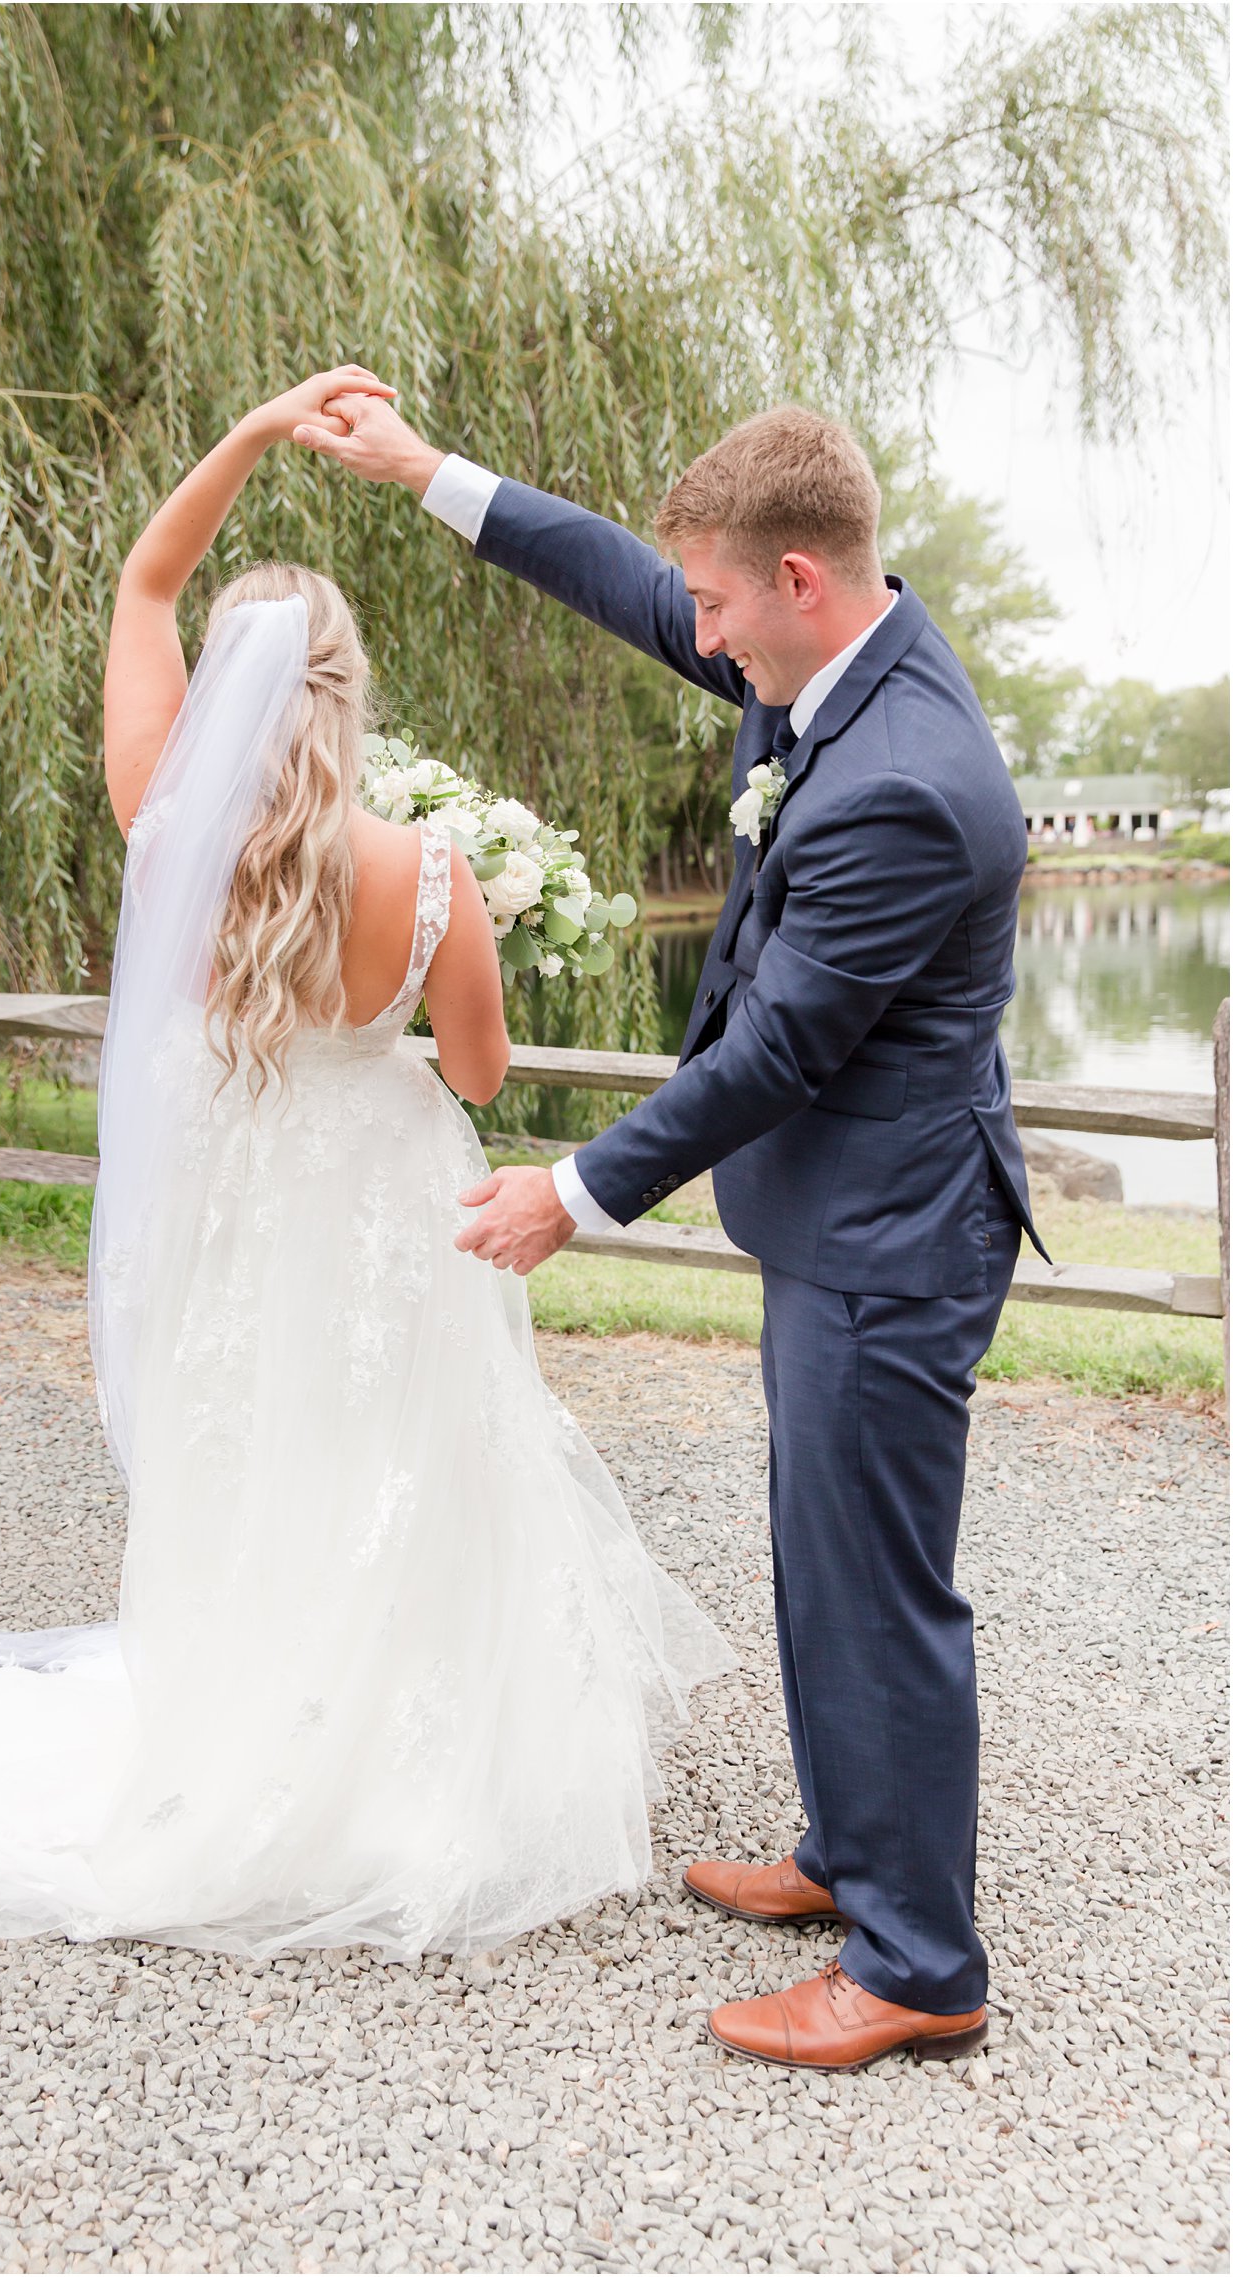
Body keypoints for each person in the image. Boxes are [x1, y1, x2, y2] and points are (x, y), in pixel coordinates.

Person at [0, 369, 732, 1960]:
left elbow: (144, 578)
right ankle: (401, 1763)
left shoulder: (160, 820)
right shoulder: (431, 872)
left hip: (247, 1194)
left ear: (238, 693)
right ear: (346, 689)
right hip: (389, 1197)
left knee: (250, 1448)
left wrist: (258, 435)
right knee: (400, 1456)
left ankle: (239, 1735)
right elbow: (477, 1072)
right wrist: (462, 942)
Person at [296, 390, 1049, 2069]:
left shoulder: (907, 785)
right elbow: (622, 581)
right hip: (843, 1222)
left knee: (880, 1589)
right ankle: (849, 1857)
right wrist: (429, 472)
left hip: (894, 1239)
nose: (694, 633)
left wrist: (570, 1194)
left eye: (714, 604)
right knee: (822, 1559)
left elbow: (783, 1045)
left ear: (797, 575)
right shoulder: (823, 658)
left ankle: (921, 1961)